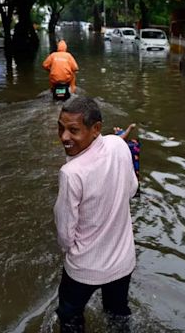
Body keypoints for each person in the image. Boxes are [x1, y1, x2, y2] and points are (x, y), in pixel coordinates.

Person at [54, 97, 138, 332]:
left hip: (84, 268)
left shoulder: (71, 173)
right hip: (123, 262)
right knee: (118, 315)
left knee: (70, 318)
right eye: (61, 127)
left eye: (73, 130)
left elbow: (65, 234)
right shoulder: (120, 145)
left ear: (96, 129)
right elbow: (131, 189)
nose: (64, 137)